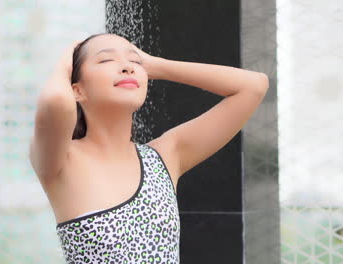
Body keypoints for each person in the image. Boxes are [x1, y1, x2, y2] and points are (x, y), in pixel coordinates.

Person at [29, 33, 269, 264]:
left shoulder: (165, 155)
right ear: (77, 90)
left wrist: (156, 65)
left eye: (134, 60)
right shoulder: (61, 160)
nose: (127, 66)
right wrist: (66, 58)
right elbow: (56, 103)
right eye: (106, 59)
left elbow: (254, 86)